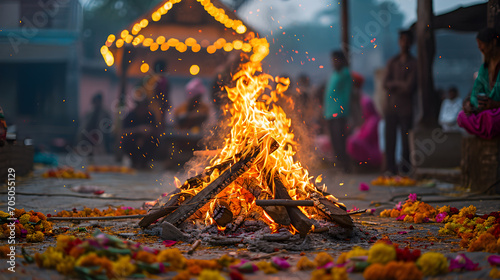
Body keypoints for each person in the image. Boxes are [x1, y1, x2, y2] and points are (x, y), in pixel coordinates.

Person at [383, 30, 418, 175]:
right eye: (402, 40)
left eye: (407, 40)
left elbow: (409, 87)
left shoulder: (414, 63)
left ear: (411, 43)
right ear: (399, 42)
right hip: (391, 107)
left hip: (406, 108)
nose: (404, 43)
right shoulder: (393, 61)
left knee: (405, 140)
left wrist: (394, 84)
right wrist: (400, 84)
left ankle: (405, 168)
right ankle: (390, 168)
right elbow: (385, 83)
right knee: (390, 140)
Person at [458, 28, 500, 139]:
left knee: (490, 118)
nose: (480, 48)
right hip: (486, 111)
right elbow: (476, 91)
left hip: (496, 111)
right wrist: (470, 104)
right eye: (478, 45)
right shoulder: (484, 68)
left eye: (482, 44)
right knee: (462, 116)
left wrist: (494, 104)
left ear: (494, 43)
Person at [323, 50, 352, 172]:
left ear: (342, 60)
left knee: (340, 140)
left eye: (336, 60)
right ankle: (339, 165)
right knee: (334, 140)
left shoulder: (345, 74)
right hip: (330, 112)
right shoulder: (335, 73)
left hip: (339, 113)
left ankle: (346, 166)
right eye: (332, 60)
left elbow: (348, 93)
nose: (334, 62)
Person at [347, 74, 383, 167]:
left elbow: (367, 135)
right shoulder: (357, 100)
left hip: (372, 149)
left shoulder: (373, 120)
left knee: (353, 141)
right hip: (363, 135)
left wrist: (357, 133)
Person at [121, 91, 158, 169]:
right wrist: (138, 130)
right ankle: (134, 162)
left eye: (144, 107)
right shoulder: (130, 115)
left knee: (154, 141)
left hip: (147, 140)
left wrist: (147, 132)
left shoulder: (150, 115)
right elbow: (123, 131)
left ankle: (145, 162)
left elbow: (156, 130)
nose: (142, 110)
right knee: (126, 141)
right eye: (140, 107)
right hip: (133, 140)